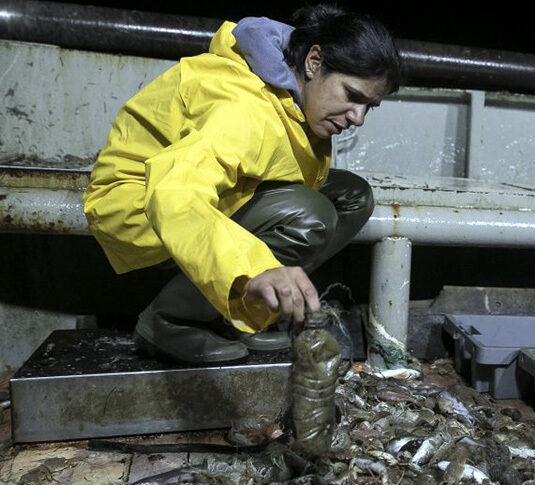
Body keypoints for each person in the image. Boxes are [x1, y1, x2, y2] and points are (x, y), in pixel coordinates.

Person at [83, 4, 402, 364]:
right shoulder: (242, 108)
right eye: (352, 96)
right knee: (310, 216)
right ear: (314, 62)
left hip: (197, 193)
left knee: (352, 197)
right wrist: (253, 270)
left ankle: (234, 314)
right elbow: (174, 194)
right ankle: (169, 321)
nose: (357, 118)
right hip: (139, 206)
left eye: (369, 107)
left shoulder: (288, 94)